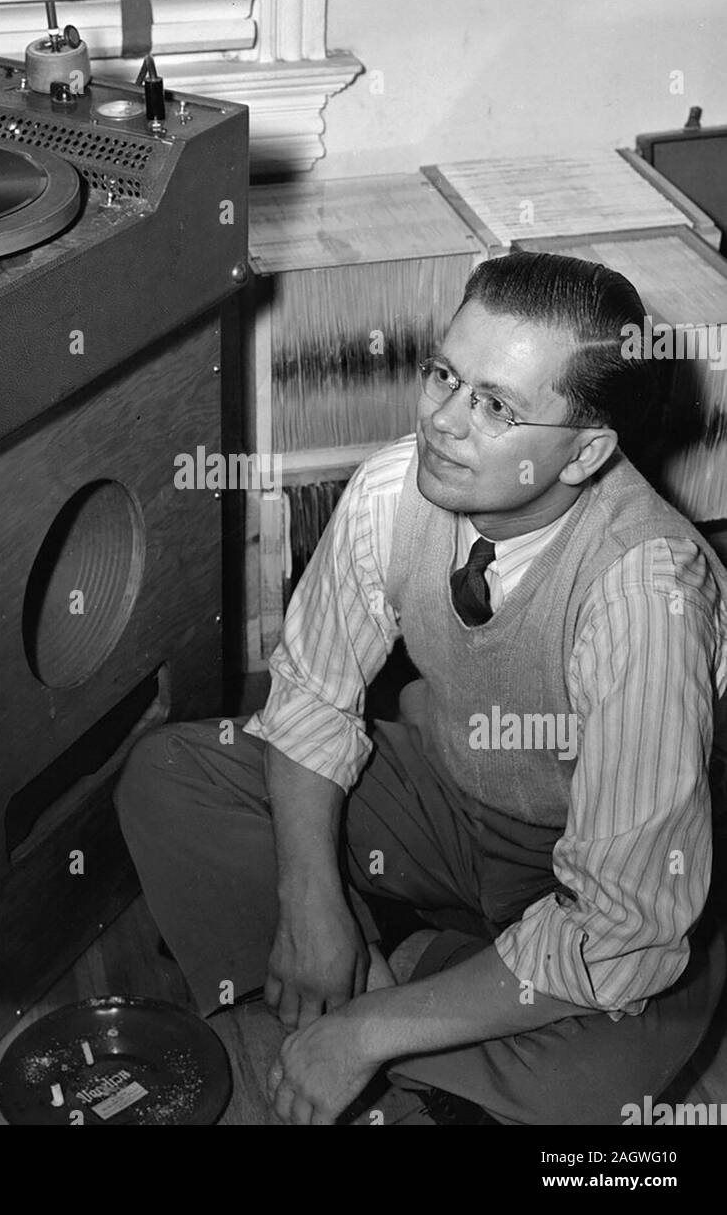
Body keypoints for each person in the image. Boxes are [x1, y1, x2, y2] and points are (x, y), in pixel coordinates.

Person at [115, 251, 727, 1126]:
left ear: (588, 452)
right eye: (445, 374)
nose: (443, 421)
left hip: (601, 865)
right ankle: (403, 969)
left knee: (595, 1078)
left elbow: (623, 927)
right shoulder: (393, 489)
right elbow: (314, 698)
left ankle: (399, 989)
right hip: (458, 799)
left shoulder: (645, 597)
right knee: (172, 777)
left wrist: (360, 1032)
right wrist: (311, 900)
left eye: (497, 406)